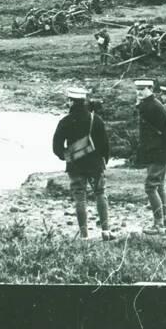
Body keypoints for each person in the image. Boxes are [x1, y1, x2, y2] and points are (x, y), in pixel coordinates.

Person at [52, 88, 112, 240]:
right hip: (95, 165)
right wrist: (104, 160)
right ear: (84, 101)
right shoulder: (95, 119)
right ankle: (106, 231)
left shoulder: (65, 121)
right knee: (100, 194)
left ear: (71, 101)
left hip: (75, 166)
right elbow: (105, 145)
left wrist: (65, 156)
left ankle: (84, 235)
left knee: (80, 198)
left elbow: (56, 147)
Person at [135, 79, 166, 233]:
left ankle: (158, 224)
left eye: (143, 89)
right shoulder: (148, 105)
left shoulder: (155, 106)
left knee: (150, 187)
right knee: (159, 186)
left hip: (159, 152)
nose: (139, 91)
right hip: (156, 152)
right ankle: (165, 222)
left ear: (151, 89)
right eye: (138, 89)